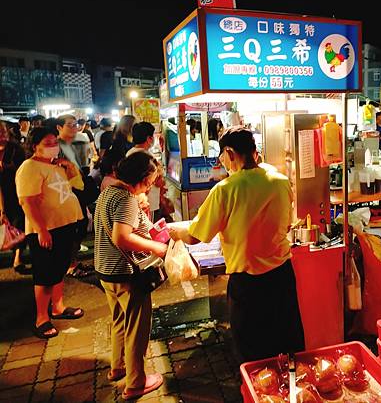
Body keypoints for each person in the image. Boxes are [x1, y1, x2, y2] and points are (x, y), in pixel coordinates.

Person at [169, 127, 304, 362]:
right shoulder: (280, 181)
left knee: (253, 350)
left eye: (222, 156)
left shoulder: (225, 189)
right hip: (282, 278)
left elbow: (196, 235)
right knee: (287, 342)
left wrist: (175, 232)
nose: (223, 162)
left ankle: (258, 393)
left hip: (248, 285)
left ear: (230, 153)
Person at [94, 151, 166, 400]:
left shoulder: (108, 192)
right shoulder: (126, 198)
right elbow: (121, 237)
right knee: (137, 327)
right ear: (143, 177)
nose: (152, 184)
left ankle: (118, 367)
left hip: (106, 271)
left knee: (119, 321)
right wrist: (156, 247)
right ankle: (136, 382)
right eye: (151, 180)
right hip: (126, 274)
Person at [16, 127, 85, 339]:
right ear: (34, 146)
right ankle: (41, 318)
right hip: (46, 230)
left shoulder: (57, 165)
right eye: (47, 143)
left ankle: (58, 307)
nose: (53, 146)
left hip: (64, 225)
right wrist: (41, 230)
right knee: (45, 275)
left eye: (55, 141)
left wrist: (71, 168)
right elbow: (28, 202)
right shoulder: (29, 167)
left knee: (59, 269)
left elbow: (78, 187)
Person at [0, 121, 28, 273]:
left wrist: (10, 168)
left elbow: (24, 169)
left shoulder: (15, 149)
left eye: (3, 132)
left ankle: (18, 256)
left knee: (18, 224)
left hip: (14, 192)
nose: (2, 135)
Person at [127, 122, 161, 221]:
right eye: (153, 136)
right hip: (147, 200)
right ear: (148, 138)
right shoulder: (146, 157)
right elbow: (157, 181)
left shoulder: (130, 152)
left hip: (138, 199)